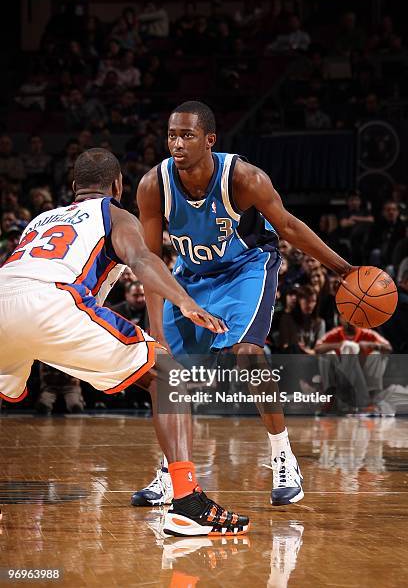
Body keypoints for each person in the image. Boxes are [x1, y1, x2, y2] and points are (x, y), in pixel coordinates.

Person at [0, 147, 249, 537]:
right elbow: (142, 260)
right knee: (169, 378)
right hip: (51, 300)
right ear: (118, 185)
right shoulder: (114, 214)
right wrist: (184, 300)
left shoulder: (41, 218)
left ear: (73, 188)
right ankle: (188, 502)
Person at [132, 100, 355, 508]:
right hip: (191, 278)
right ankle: (172, 473)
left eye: (187, 135)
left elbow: (287, 225)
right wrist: (157, 330)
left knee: (249, 355)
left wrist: (342, 268)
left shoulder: (244, 177)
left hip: (247, 269)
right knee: (166, 374)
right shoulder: (153, 185)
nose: (176, 143)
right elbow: (148, 263)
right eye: (171, 135)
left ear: (210, 140)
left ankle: (282, 455)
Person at [315, 316, 392, 412]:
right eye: (346, 316)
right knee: (327, 354)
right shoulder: (335, 333)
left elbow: (388, 347)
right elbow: (317, 348)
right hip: (341, 377)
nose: (350, 320)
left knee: (376, 355)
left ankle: (371, 399)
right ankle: (330, 398)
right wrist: (340, 345)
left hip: (363, 379)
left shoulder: (367, 333)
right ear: (340, 318)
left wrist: (370, 345)